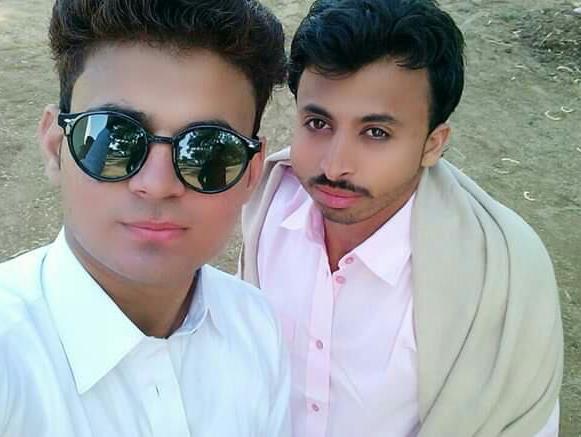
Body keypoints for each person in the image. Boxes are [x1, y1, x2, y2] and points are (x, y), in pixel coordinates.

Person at [239, 0, 563, 435]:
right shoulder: (268, 205)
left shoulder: (500, 277)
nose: (335, 166)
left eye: (376, 133)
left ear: (434, 144)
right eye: (318, 123)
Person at [0, 0, 291, 436]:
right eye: (112, 137)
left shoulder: (257, 327)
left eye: (209, 150)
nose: (157, 184)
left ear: (251, 172)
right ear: (55, 147)